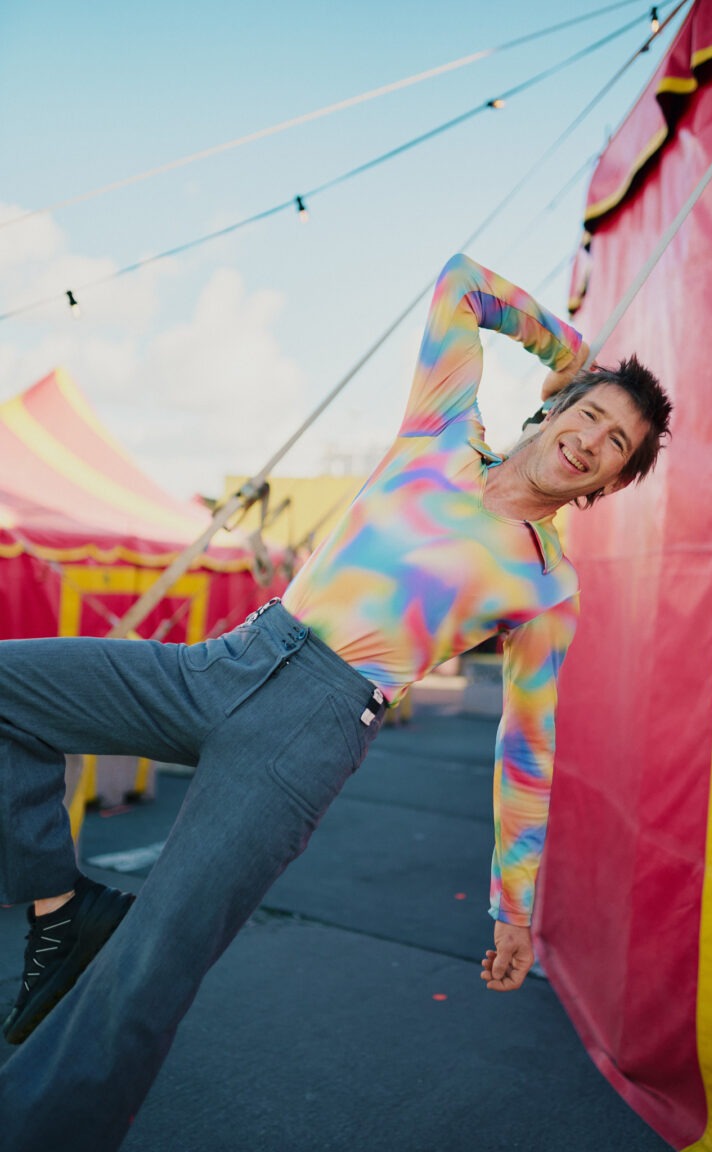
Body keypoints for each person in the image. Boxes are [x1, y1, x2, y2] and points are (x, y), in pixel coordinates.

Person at [0, 253, 671, 1149]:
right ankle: (60, 902)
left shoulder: (547, 586)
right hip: (230, 659)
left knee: (149, 971)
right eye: (590, 413)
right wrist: (574, 350)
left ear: (604, 485)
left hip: (308, 732)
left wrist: (514, 903)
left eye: (615, 445)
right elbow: (461, 285)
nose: (592, 438)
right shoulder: (441, 431)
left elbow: (528, 745)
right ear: (551, 409)